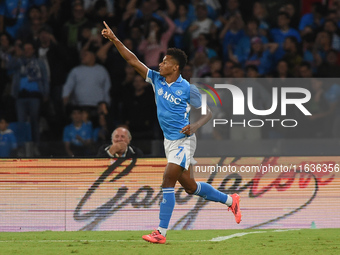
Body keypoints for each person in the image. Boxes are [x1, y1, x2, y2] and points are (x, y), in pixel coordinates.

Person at [101, 21, 241, 244]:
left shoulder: (187, 88)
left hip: (183, 141)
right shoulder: (156, 79)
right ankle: (230, 200)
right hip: (170, 141)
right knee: (191, 187)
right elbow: (132, 60)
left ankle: (161, 232)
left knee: (167, 181)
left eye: (165, 61)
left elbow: (208, 112)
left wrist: (194, 126)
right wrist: (116, 39)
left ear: (175, 67)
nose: (160, 63)